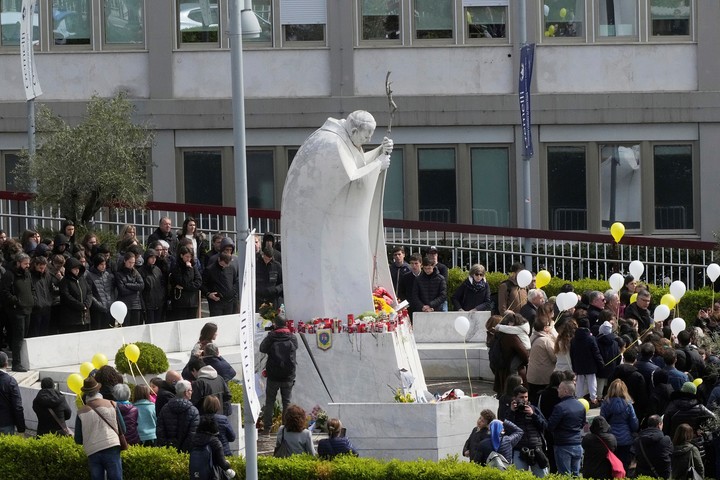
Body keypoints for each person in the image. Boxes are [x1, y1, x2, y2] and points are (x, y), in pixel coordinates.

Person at [281, 110, 394, 321]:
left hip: (327, 225)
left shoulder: (343, 138)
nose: (369, 140)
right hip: (315, 231)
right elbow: (351, 179)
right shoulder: (330, 143)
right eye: (367, 136)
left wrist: (379, 152)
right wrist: (378, 165)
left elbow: (355, 164)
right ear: (353, 130)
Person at [74, 377, 125, 480]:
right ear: (98, 390)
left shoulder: (80, 412)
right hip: (111, 446)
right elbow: (123, 429)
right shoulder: (112, 404)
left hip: (93, 450)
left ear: (85, 393)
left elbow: (78, 439)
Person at [259, 316, 298, 435]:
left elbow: (262, 348)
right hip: (288, 375)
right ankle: (286, 428)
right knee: (286, 402)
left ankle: (267, 428)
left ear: (275, 324)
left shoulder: (271, 337)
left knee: (270, 401)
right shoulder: (292, 337)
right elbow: (295, 347)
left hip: (273, 375)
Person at [505, 385, 549, 477]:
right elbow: (506, 429)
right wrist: (512, 412)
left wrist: (533, 415)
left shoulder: (533, 409)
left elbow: (544, 425)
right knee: (519, 476)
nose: (524, 400)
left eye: (526, 397)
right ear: (515, 398)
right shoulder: (510, 411)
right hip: (519, 449)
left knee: (542, 476)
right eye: (521, 397)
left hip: (536, 448)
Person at [0, 253, 33, 371]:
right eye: (25, 264)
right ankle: (16, 363)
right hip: (16, 310)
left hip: (28, 308)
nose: (27, 266)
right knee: (17, 337)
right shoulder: (9, 275)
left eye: (28, 263)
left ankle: (23, 360)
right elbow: (5, 292)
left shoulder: (27, 274)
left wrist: (32, 299)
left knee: (24, 335)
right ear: (18, 263)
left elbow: (31, 288)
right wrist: (16, 301)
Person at [547, 380, 586, 476]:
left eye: (559, 388)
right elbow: (582, 423)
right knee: (576, 474)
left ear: (565, 391)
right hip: (577, 443)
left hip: (563, 445)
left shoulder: (560, 407)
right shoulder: (581, 406)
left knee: (565, 475)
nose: (558, 390)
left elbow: (550, 426)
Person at [599, 379, 638, 471]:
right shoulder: (628, 404)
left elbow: (602, 422)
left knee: (611, 466)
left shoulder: (605, 404)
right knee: (624, 466)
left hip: (610, 439)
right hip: (626, 439)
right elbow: (634, 424)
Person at [157, 379, 199, 452]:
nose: (192, 392)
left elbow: (160, 430)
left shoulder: (165, 408)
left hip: (168, 450)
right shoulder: (193, 410)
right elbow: (193, 434)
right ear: (186, 392)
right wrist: (185, 450)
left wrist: (167, 447)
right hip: (187, 452)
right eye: (191, 390)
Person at [570, 317, 604, 407]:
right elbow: (596, 353)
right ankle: (593, 399)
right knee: (592, 381)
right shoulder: (591, 339)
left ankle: (578, 398)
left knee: (579, 381)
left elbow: (572, 354)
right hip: (590, 364)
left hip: (578, 364)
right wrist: (601, 363)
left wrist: (573, 366)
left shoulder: (574, 339)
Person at [527, 314, 557, 405]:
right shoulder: (546, 340)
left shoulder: (532, 337)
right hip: (543, 377)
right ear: (545, 328)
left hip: (532, 375)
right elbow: (554, 358)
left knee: (532, 400)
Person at [58, 257, 92, 334]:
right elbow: (66, 296)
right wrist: (80, 306)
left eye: (78, 268)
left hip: (85, 318)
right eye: (74, 268)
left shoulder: (82, 279)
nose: (77, 270)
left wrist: (87, 304)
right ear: (69, 269)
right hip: (71, 320)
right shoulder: (65, 282)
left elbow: (89, 292)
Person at [634, 414, 673, 479]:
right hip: (661, 475)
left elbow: (636, 457)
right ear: (659, 425)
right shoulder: (666, 440)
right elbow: (671, 455)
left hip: (642, 475)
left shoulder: (638, 440)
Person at [169, 246, 202, 320]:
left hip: (192, 301)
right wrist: (188, 269)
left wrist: (186, 287)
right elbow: (183, 281)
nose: (189, 259)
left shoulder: (193, 267)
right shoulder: (177, 268)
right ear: (181, 255)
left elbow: (198, 282)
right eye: (187, 256)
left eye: (190, 257)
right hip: (181, 302)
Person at [581, 416, 618, 480]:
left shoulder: (587, 438)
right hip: (606, 471)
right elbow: (614, 448)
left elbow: (583, 446)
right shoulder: (611, 439)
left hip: (590, 471)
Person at [202, 252, 238, 317]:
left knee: (228, 322)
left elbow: (235, 281)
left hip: (229, 301)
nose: (226, 266)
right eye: (224, 263)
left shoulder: (231, 267)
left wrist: (233, 292)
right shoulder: (209, 269)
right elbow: (202, 284)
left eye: (228, 264)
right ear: (219, 259)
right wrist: (208, 294)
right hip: (216, 302)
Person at [114, 252, 144, 327]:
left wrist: (128, 285)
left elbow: (141, 285)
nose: (131, 264)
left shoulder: (136, 272)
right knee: (126, 327)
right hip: (125, 305)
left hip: (136, 304)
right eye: (129, 262)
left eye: (133, 263)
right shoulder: (119, 274)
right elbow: (122, 290)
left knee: (135, 327)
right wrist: (135, 289)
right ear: (125, 261)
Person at [85, 254, 115, 330]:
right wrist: (99, 305)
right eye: (101, 264)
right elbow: (90, 293)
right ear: (96, 264)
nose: (103, 266)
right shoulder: (89, 275)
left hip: (109, 308)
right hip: (97, 310)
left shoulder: (107, 275)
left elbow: (111, 291)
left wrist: (111, 302)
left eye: (104, 264)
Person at [0, 352, 25, 434]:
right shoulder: (10, 381)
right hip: (6, 423)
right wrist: (21, 428)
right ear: (6, 364)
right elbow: (17, 406)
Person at [29, 255, 53, 337]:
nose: (42, 270)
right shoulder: (30, 276)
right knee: (35, 332)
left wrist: (49, 302)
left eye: (43, 268)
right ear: (35, 265)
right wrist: (34, 302)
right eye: (40, 268)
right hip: (36, 308)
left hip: (46, 307)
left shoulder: (47, 275)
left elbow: (50, 289)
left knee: (44, 333)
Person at [139, 249, 164, 324]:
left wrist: (162, 296)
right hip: (148, 303)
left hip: (159, 302)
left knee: (158, 325)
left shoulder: (157, 270)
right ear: (147, 258)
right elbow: (141, 289)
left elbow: (162, 284)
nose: (154, 259)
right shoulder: (141, 271)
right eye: (151, 257)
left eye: (155, 257)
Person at [256, 246, 283, 311]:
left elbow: (283, 283)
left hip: (272, 300)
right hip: (259, 299)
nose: (267, 261)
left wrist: (276, 289)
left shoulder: (277, 266)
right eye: (265, 258)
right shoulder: (256, 265)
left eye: (269, 259)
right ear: (263, 255)